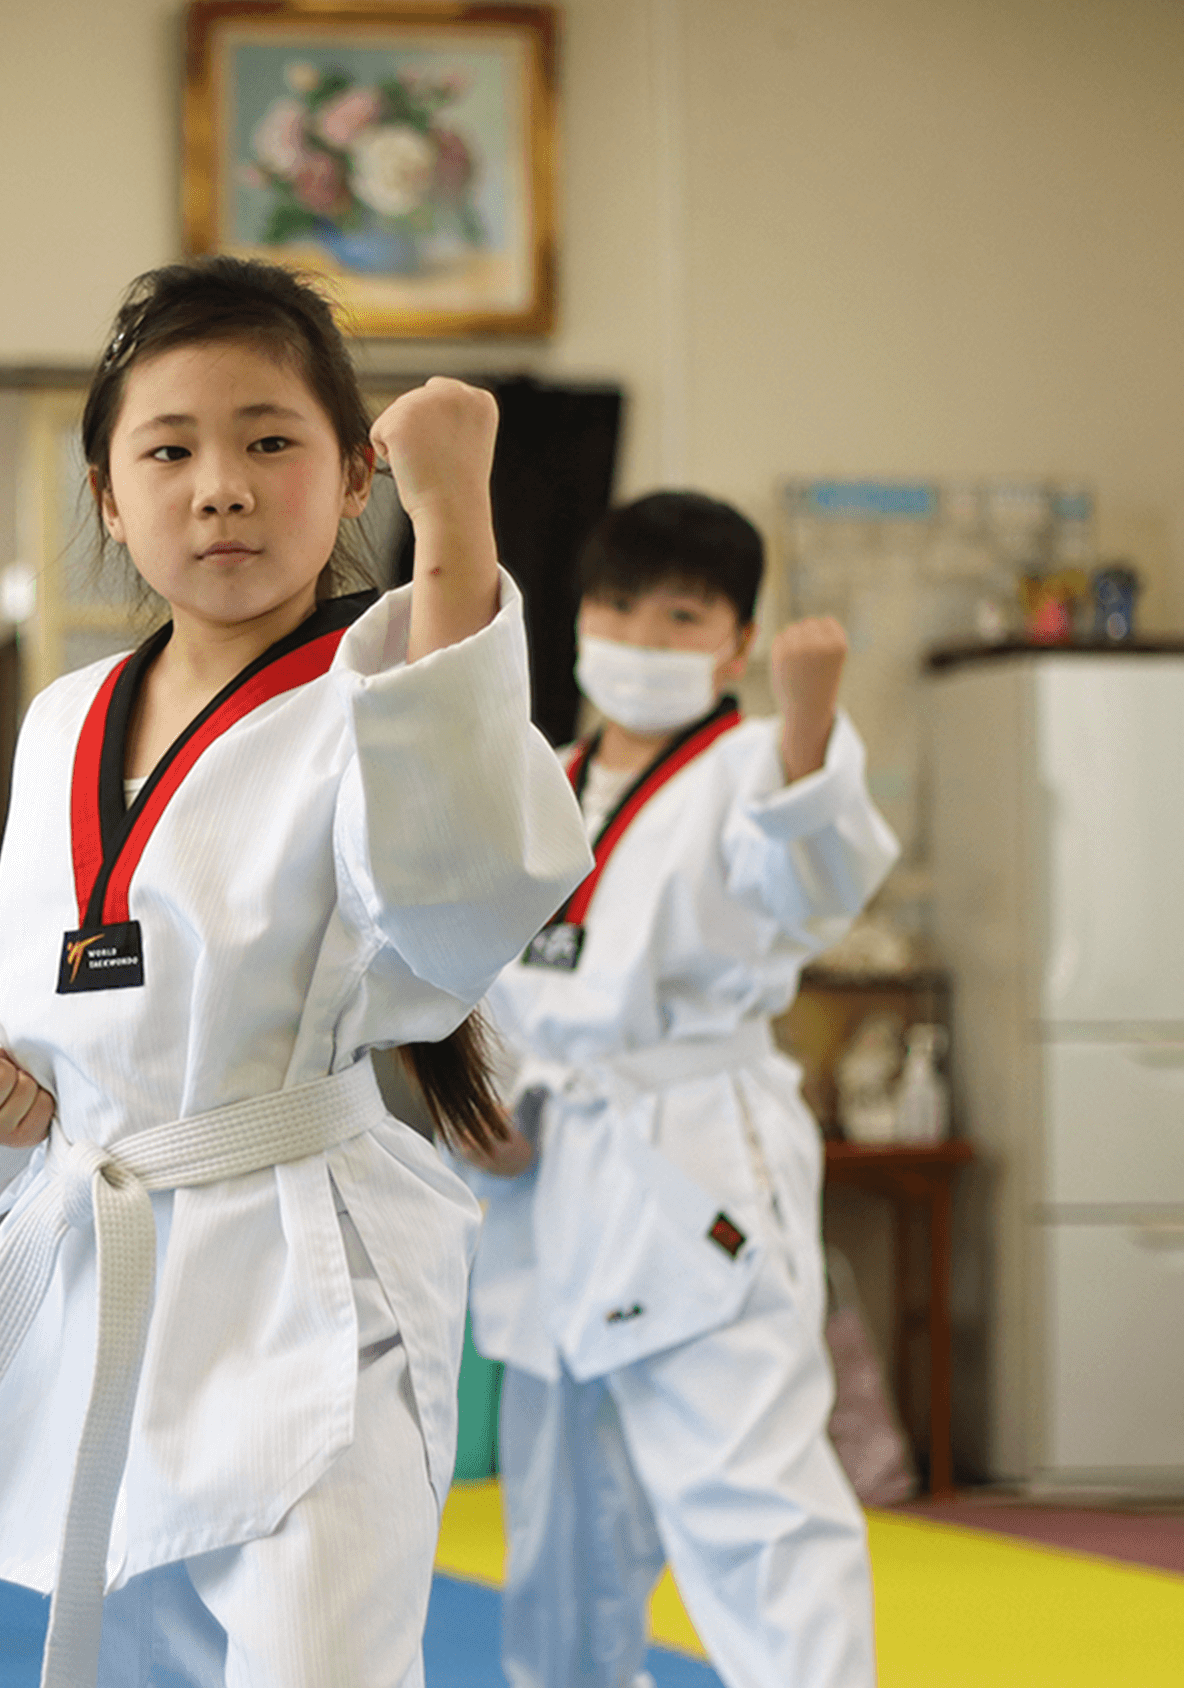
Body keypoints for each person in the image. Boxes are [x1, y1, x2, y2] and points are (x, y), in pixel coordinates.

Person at [0, 257, 589, 1687]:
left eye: (269, 441)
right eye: (168, 450)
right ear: (109, 495)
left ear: (356, 477)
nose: (218, 486)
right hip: (119, 1280)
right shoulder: (65, 719)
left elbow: (458, 906)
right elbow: (21, 992)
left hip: (309, 1279)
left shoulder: (377, 688)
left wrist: (458, 526)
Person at [461, 490, 896, 1688]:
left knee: (750, 1498)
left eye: (683, 615)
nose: (642, 639)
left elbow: (808, 881)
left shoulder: (756, 760)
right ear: (579, 617)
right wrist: (473, 1110)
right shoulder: (545, 774)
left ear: (736, 643)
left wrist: (808, 725)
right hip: (548, 1171)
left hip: (691, 1150)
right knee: (561, 1531)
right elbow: (482, 972)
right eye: (617, 607)